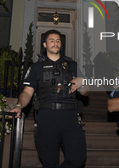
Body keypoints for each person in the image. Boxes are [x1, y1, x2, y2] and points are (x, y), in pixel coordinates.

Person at [11, 29, 88, 168]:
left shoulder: (72, 65)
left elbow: (85, 93)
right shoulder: (36, 67)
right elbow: (27, 93)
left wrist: (83, 83)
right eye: (51, 40)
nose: (55, 43)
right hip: (46, 117)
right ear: (45, 44)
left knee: (78, 159)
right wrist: (19, 105)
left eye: (58, 40)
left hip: (70, 116)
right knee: (49, 162)